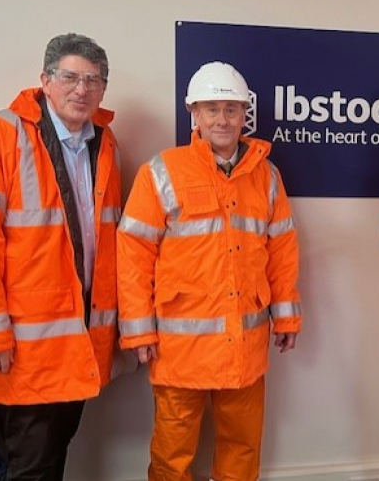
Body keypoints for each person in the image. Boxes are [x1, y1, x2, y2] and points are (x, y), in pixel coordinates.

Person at [0, 33, 122, 481]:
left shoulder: (104, 143)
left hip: (76, 343)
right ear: (45, 80)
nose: (82, 89)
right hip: (23, 349)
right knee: (27, 468)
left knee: (51, 457)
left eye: (94, 80)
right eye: (70, 77)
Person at [117, 61, 301, 481]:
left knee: (242, 449)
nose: (223, 118)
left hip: (245, 348)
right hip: (180, 350)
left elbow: (283, 249)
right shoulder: (163, 171)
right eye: (212, 108)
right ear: (194, 114)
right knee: (172, 455)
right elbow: (132, 251)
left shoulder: (267, 176)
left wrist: (287, 315)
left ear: (244, 116)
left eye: (231, 109)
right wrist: (138, 330)